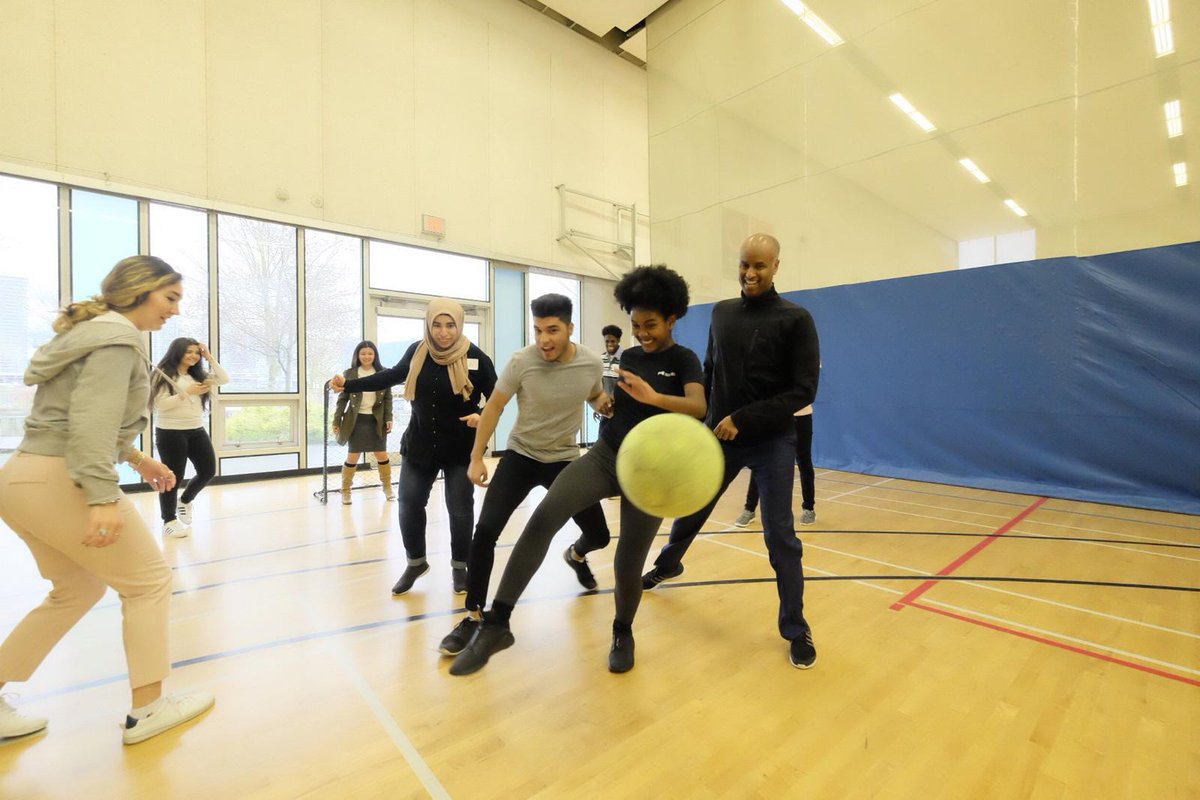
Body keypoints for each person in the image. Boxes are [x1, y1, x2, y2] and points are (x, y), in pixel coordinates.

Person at [0, 255, 215, 745]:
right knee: (149, 582)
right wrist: (100, 498)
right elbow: (90, 428)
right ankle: (150, 708)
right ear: (140, 291)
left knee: (76, 590)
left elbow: (77, 415)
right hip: (63, 479)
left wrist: (140, 461)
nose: (175, 312)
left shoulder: (87, 334)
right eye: (170, 298)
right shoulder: (119, 341)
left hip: (21, 479)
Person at [451, 265, 705, 676]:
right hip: (606, 455)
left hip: (651, 472)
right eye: (636, 324)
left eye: (651, 324)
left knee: (628, 563)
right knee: (544, 518)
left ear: (672, 319)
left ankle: (622, 630)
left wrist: (654, 396)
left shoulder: (684, 360)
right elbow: (615, 401)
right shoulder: (631, 356)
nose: (641, 333)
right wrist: (607, 404)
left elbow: (698, 407)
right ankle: (497, 623)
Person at [641, 234, 821, 670]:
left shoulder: (796, 319)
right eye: (744, 264)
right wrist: (699, 422)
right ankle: (669, 564)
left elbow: (802, 390)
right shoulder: (722, 313)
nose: (750, 273)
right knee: (692, 506)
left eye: (760, 265)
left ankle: (796, 628)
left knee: (780, 535)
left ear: (777, 266)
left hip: (772, 440)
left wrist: (744, 418)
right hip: (718, 436)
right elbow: (709, 371)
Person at [437, 294, 613, 657]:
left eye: (553, 330)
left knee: (599, 534)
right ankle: (473, 616)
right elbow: (495, 408)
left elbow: (594, 395)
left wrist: (606, 406)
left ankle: (576, 555)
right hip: (521, 456)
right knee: (484, 532)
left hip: (564, 460)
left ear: (570, 328)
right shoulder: (522, 362)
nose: (544, 339)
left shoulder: (591, 363)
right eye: (538, 330)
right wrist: (476, 457)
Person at [331, 299, 496, 596]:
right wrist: (349, 385)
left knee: (459, 510)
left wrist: (481, 416)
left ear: (460, 325)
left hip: (460, 447)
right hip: (420, 444)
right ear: (428, 324)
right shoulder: (418, 351)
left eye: (450, 325)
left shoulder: (477, 357)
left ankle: (461, 567)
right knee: (408, 504)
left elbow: (497, 397)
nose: (443, 333)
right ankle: (416, 563)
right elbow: (392, 375)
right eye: (437, 325)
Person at [150, 338, 230, 538]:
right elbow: (161, 405)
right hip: (170, 432)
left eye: (197, 352)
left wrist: (209, 356)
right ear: (177, 352)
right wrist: (186, 392)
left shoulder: (199, 376)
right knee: (172, 478)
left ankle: (185, 501)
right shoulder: (163, 375)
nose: (194, 356)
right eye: (189, 352)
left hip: (196, 429)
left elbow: (224, 378)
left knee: (208, 470)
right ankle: (168, 520)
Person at [332, 341, 395, 505]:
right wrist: (336, 420)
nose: (367, 356)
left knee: (381, 454)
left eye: (370, 353)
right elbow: (342, 400)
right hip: (356, 421)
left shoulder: (383, 373)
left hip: (377, 420)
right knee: (353, 456)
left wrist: (389, 418)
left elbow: (388, 398)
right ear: (357, 356)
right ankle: (345, 491)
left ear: (375, 355)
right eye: (363, 354)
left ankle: (387, 487)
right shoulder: (350, 373)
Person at [734, 404, 816, 528]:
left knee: (804, 461)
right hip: (776, 417)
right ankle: (749, 509)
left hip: (801, 417)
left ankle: (809, 508)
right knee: (761, 459)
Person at [600, 323, 623, 397]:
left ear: (618, 340)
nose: (609, 344)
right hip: (605, 404)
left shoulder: (625, 358)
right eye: (607, 341)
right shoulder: (601, 358)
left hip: (622, 404)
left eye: (613, 341)